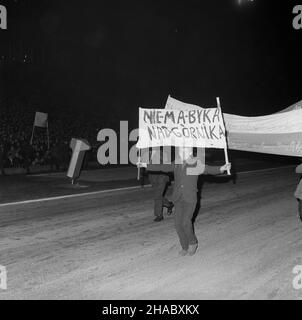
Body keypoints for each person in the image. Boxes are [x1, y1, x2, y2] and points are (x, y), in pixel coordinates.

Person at [138, 146, 231, 256]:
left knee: (186, 222)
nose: (182, 152)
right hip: (178, 198)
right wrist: (144, 165)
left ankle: (193, 242)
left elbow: (208, 169)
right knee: (178, 224)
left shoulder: (196, 163)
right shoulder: (176, 163)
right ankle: (184, 246)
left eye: (184, 150)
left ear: (190, 152)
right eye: (180, 150)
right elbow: (162, 166)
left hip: (190, 198)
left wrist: (222, 168)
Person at [148, 148, 174, 222]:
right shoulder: (146, 153)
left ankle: (159, 215)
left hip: (162, 177)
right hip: (152, 177)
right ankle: (169, 204)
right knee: (158, 195)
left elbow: (166, 165)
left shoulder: (162, 153)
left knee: (157, 196)